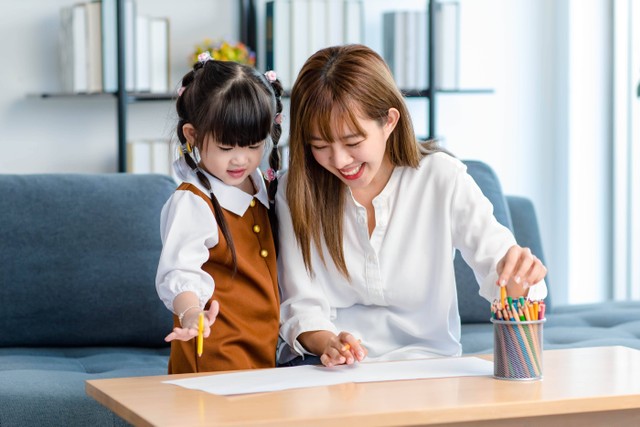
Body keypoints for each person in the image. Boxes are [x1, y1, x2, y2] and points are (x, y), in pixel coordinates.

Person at [276, 44, 548, 368]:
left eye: (352, 142)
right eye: (319, 146)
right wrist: (330, 344)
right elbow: (301, 306)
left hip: (430, 369)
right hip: (331, 373)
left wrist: (517, 275)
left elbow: (502, 268)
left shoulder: (441, 178)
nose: (338, 160)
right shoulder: (295, 190)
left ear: (389, 121)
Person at [156, 52, 284, 373]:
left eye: (253, 145)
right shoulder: (193, 202)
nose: (240, 160)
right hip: (215, 352)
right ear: (193, 135)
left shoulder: (262, 188)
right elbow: (180, 272)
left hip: (262, 348)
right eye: (227, 148)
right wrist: (191, 315)